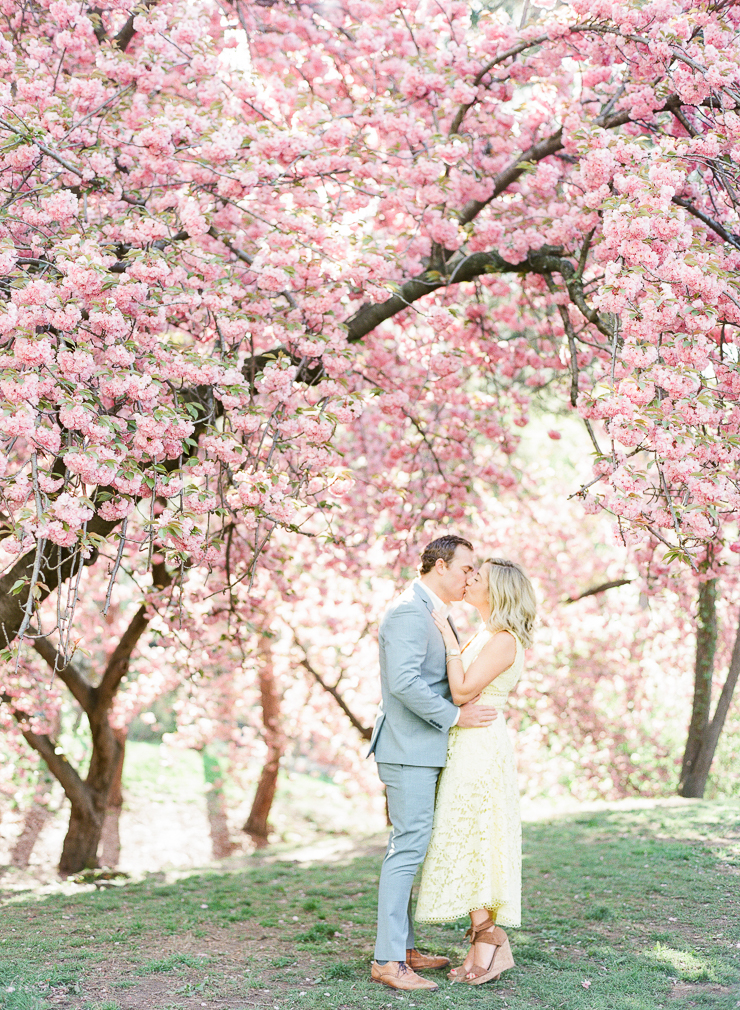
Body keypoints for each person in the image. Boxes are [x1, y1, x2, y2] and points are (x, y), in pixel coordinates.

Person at [367, 535, 500, 993]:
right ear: (440, 566)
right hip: (408, 750)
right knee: (406, 850)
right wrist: (456, 716)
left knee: (410, 848)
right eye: (466, 569)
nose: (471, 577)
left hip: (423, 749)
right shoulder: (409, 612)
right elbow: (404, 683)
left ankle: (403, 948)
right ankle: (388, 961)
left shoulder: (433, 612)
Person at [415, 558, 536, 985]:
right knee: (468, 837)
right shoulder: (486, 634)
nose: (468, 580)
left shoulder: (503, 640)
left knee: (477, 838)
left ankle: (490, 939)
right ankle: (484, 938)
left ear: (496, 590)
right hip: (466, 743)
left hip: (481, 749)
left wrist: (449, 640)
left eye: (477, 577)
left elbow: (463, 690)